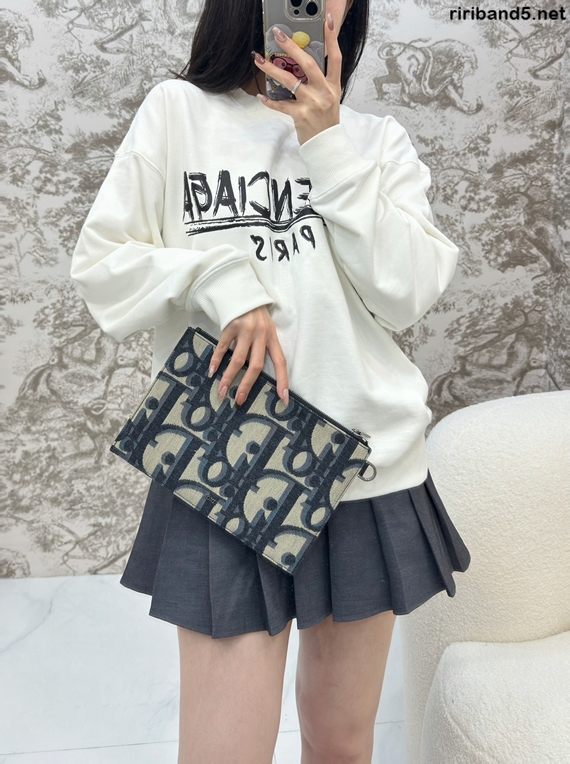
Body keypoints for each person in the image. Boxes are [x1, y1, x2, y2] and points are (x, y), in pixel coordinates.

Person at [70, 0, 471, 762]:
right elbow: (101, 266)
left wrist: (326, 144)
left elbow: (406, 292)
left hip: (366, 467)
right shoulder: (178, 114)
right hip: (231, 459)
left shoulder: (377, 142)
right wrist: (220, 279)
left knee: (341, 744)